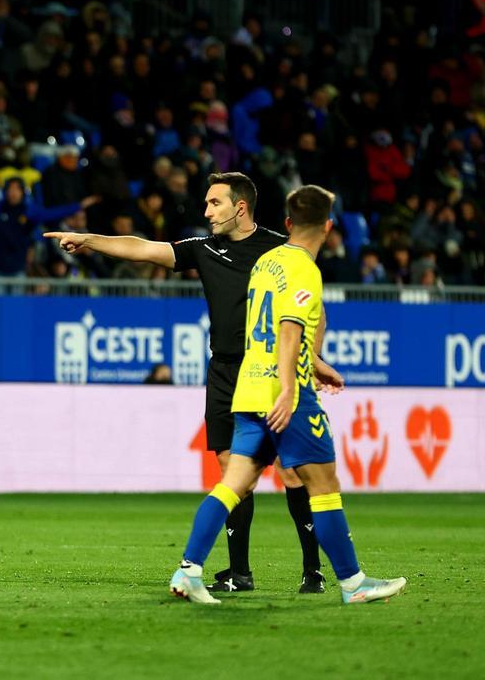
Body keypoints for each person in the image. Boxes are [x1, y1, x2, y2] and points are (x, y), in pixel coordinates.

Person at [46, 172, 341, 594]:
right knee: (230, 470)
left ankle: (313, 571)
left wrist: (313, 357)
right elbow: (145, 249)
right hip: (222, 371)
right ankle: (240, 574)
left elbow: (314, 308)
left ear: (240, 207)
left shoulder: (279, 249)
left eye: (214, 204)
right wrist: (89, 239)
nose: (206, 212)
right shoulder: (205, 248)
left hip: (266, 368)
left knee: (292, 472)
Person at [169, 185, 407, 605]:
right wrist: (291, 388)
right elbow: (290, 330)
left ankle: (189, 570)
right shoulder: (303, 268)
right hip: (285, 394)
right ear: (330, 228)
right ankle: (352, 583)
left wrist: (316, 367)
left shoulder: (266, 262)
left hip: (247, 387)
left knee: (233, 485)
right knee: (323, 483)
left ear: (287, 223)